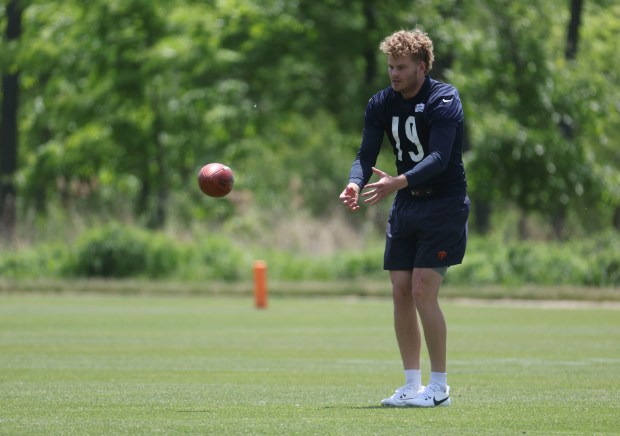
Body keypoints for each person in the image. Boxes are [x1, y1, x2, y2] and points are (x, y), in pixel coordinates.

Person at [339, 28, 470, 407]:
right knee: (400, 292)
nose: (394, 74)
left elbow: (439, 158)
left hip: (444, 203)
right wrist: (353, 182)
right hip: (407, 205)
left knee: (422, 290)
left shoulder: (444, 98)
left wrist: (397, 181)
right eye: (390, 67)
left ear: (422, 66)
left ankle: (439, 387)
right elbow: (365, 153)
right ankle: (411, 384)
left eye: (401, 67)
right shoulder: (381, 103)